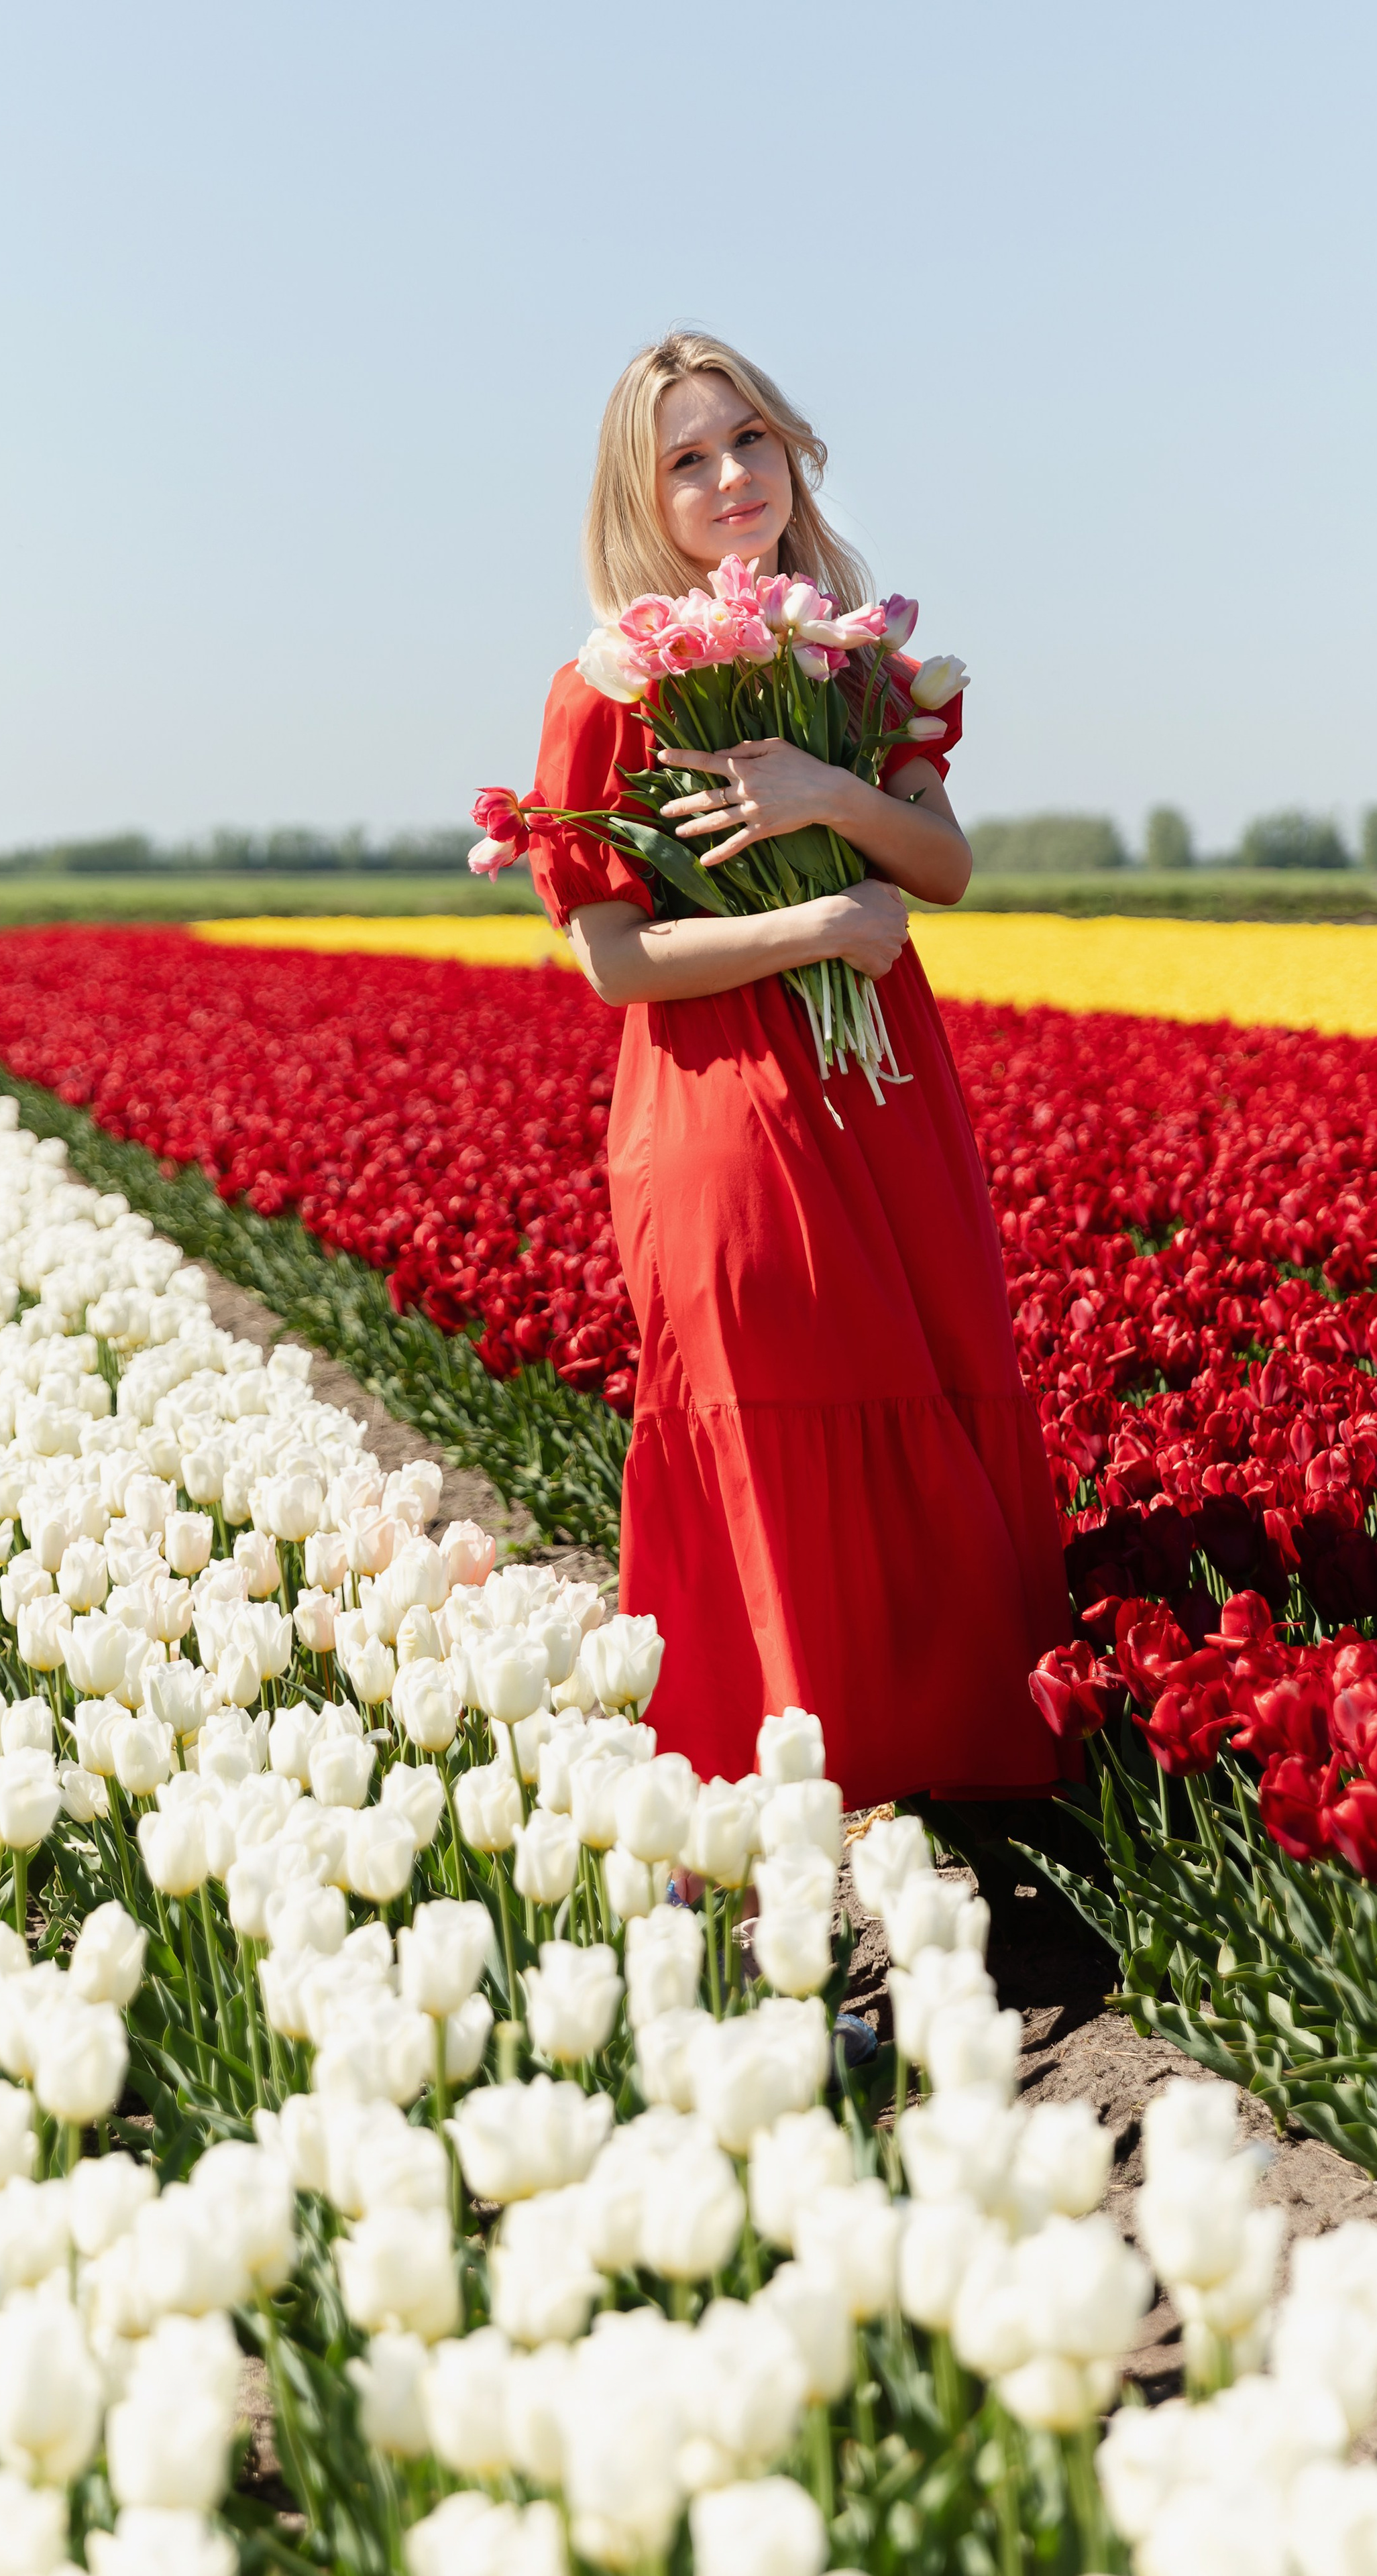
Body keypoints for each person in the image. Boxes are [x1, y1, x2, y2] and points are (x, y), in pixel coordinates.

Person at [518, 331, 1070, 1817]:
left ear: (789, 452)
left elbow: (941, 863)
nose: (726, 479)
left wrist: (826, 791)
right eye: (684, 460)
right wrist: (816, 920)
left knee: (921, 1382)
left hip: (881, 1084)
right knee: (775, 1390)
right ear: (643, 498)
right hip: (719, 1101)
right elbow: (616, 962)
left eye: (745, 441)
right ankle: (778, 1802)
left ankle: (955, 1778)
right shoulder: (606, 692)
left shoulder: (854, 662)